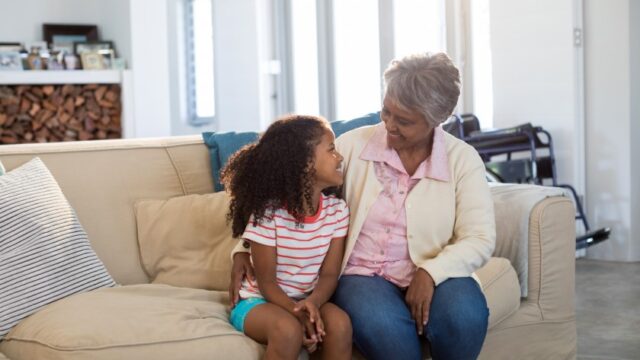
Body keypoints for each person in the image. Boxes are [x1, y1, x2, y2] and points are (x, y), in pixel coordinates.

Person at [231, 52, 495, 360]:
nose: (389, 126)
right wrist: (241, 248)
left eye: (404, 121)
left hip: (437, 272)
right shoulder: (352, 146)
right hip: (363, 275)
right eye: (386, 112)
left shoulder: (462, 160)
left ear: (438, 118)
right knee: (384, 326)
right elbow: (288, 189)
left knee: (465, 316)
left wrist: (430, 272)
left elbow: (480, 238)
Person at [222, 115, 352, 360]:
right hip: (258, 302)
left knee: (341, 324)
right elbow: (267, 283)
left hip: (309, 300)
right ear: (304, 163)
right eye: (331, 150)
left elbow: (329, 274)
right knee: (287, 330)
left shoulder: (337, 211)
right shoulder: (268, 215)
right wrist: (297, 312)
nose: (340, 157)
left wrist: (312, 305)